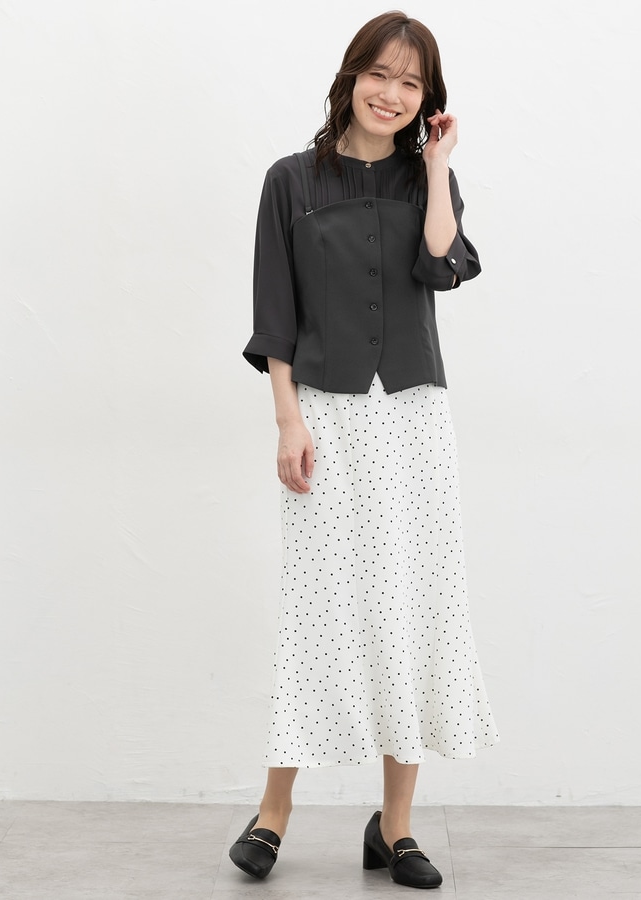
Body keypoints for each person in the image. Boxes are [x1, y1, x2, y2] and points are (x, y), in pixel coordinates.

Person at [229, 11, 499, 889]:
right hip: (326, 416)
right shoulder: (291, 181)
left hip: (414, 417)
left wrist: (438, 164)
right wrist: (287, 420)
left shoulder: (427, 182)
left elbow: (441, 266)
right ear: (350, 78)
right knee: (318, 611)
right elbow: (275, 312)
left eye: (411, 83)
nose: (391, 93)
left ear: (429, 99)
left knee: (413, 606)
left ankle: (397, 826)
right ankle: (274, 812)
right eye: (379, 74)